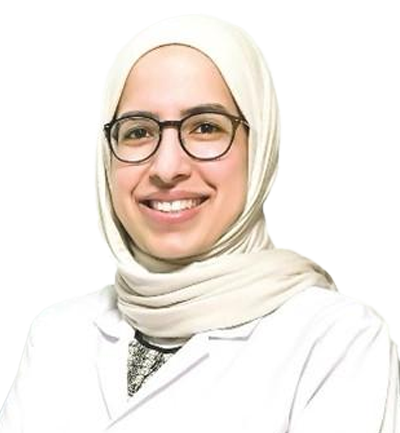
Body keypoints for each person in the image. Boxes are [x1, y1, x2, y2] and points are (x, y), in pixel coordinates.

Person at [0, 14, 398, 433]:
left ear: (259, 147)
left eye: (205, 127)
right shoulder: (58, 335)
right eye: (138, 132)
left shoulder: (336, 340)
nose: (167, 167)